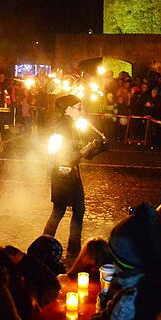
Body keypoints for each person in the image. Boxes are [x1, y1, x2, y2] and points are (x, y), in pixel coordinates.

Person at [43, 94, 107, 253]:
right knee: (73, 209)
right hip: (64, 174)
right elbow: (56, 153)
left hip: (69, 173)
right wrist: (88, 149)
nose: (82, 111)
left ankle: (49, 244)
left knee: (61, 210)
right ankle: (71, 248)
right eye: (79, 108)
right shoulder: (62, 126)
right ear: (68, 109)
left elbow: (79, 152)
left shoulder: (71, 125)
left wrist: (99, 147)